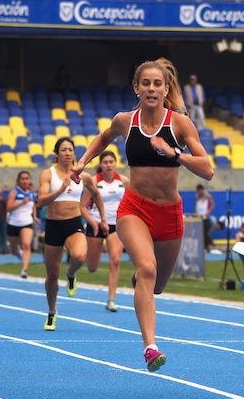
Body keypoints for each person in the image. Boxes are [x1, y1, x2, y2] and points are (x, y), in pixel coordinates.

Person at [70, 57, 214, 372]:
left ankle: (141, 281)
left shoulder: (179, 123)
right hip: (134, 208)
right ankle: (150, 347)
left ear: (165, 89)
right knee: (147, 268)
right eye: (145, 83)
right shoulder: (125, 120)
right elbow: (103, 138)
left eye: (157, 84)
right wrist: (82, 161)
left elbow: (208, 170)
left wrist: (175, 153)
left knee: (156, 284)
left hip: (170, 214)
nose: (151, 88)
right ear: (137, 88)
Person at [37, 137, 108, 331]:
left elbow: (96, 195)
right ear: (57, 154)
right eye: (64, 150)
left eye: (71, 150)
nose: (68, 153)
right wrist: (61, 187)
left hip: (73, 223)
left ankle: (70, 274)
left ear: (75, 154)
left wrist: (102, 218)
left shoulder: (83, 176)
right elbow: (41, 201)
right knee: (51, 276)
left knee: (79, 256)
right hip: (53, 226)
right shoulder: (47, 174)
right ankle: (52, 312)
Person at [80, 151, 129, 313]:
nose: (108, 165)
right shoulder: (93, 181)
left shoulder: (123, 181)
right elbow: (83, 206)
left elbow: (131, 202)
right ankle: (95, 252)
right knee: (92, 267)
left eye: (111, 162)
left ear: (115, 163)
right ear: (101, 165)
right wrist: (94, 222)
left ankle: (111, 299)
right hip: (96, 224)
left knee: (115, 260)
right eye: (105, 162)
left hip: (116, 225)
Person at [7, 171, 38, 278]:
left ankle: (24, 270)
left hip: (27, 223)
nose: (25, 181)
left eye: (26, 179)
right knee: (14, 251)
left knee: (26, 245)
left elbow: (33, 206)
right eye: (23, 179)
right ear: (19, 181)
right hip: (14, 223)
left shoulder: (32, 194)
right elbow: (8, 207)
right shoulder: (14, 192)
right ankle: (17, 253)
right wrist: (22, 203)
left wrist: (35, 217)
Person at [195, 184, 216, 251]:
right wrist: (196, 212)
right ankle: (201, 246)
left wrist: (208, 212)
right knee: (200, 232)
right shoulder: (196, 197)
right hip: (199, 216)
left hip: (205, 216)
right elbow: (196, 205)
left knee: (205, 232)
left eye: (201, 190)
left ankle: (206, 246)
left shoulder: (207, 196)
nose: (200, 192)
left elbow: (212, 205)